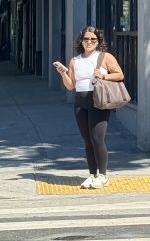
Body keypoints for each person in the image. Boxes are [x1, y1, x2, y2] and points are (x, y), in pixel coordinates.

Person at [54, 27, 124, 189]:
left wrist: (104, 75)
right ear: (81, 41)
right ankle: (92, 174)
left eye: (93, 39)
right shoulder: (75, 60)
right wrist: (63, 73)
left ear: (98, 42)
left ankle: (103, 175)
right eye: (86, 39)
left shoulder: (105, 57)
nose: (89, 42)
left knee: (97, 138)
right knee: (87, 140)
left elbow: (120, 75)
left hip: (98, 101)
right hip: (80, 102)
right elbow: (71, 86)